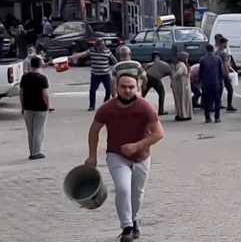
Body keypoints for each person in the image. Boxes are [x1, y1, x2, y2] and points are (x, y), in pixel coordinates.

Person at [84, 74, 164, 242]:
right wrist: (92, 156)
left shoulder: (145, 107)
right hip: (116, 155)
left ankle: (134, 220)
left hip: (142, 157)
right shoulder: (107, 108)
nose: (128, 90)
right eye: (124, 87)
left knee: (137, 194)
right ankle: (126, 227)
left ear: (137, 88)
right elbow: (94, 131)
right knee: (123, 188)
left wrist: (136, 146)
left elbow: (159, 133)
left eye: (131, 87)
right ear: (116, 88)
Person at [70, 38, 118, 111]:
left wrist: (118, 66)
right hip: (95, 75)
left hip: (105, 74)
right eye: (102, 45)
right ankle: (92, 106)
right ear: (97, 45)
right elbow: (83, 54)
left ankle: (105, 104)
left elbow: (113, 59)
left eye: (104, 45)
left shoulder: (107, 50)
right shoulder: (92, 51)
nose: (103, 46)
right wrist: (72, 57)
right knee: (92, 90)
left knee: (109, 89)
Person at [19, 56, 50, 160]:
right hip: (40, 108)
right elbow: (45, 94)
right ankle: (36, 152)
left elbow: (21, 93)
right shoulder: (42, 79)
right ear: (40, 65)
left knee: (30, 131)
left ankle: (31, 150)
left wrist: (22, 106)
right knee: (38, 130)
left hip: (28, 107)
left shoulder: (25, 78)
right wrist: (47, 105)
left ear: (30, 65)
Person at [199, 44, 225, 123]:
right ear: (213, 50)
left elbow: (200, 73)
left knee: (206, 101)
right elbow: (221, 72)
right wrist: (222, 81)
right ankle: (217, 117)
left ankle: (207, 117)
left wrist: (201, 82)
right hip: (216, 83)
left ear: (206, 50)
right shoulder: (218, 59)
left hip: (206, 83)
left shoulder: (202, 59)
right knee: (217, 100)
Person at [215, 37, 237, 112]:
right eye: (226, 43)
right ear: (222, 43)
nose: (227, 45)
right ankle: (229, 105)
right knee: (230, 90)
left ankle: (218, 103)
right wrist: (227, 75)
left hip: (218, 73)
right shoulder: (223, 53)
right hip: (224, 74)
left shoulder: (217, 52)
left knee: (220, 89)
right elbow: (225, 64)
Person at [171, 52, 192, 121]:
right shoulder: (182, 65)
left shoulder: (178, 64)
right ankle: (184, 115)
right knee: (183, 100)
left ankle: (182, 114)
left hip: (180, 85)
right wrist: (174, 77)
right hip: (181, 85)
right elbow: (179, 73)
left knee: (181, 100)